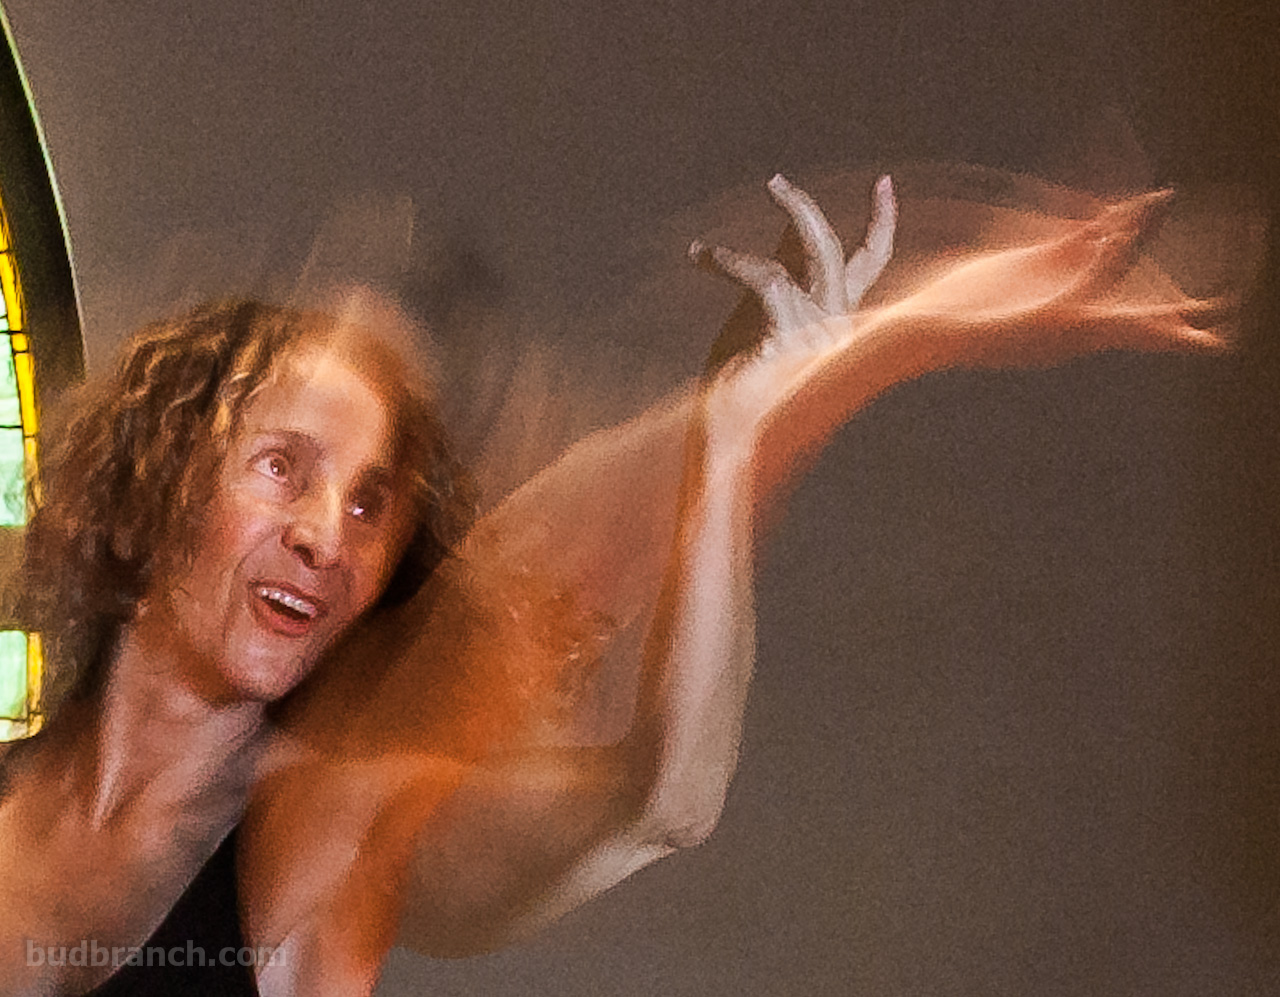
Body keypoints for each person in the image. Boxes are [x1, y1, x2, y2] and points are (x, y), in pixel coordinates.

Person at [0, 176, 1219, 996]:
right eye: (284, 469)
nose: (328, 534)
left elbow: (659, 799)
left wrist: (764, 418)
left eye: (371, 502)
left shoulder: (316, 827)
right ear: (154, 482)